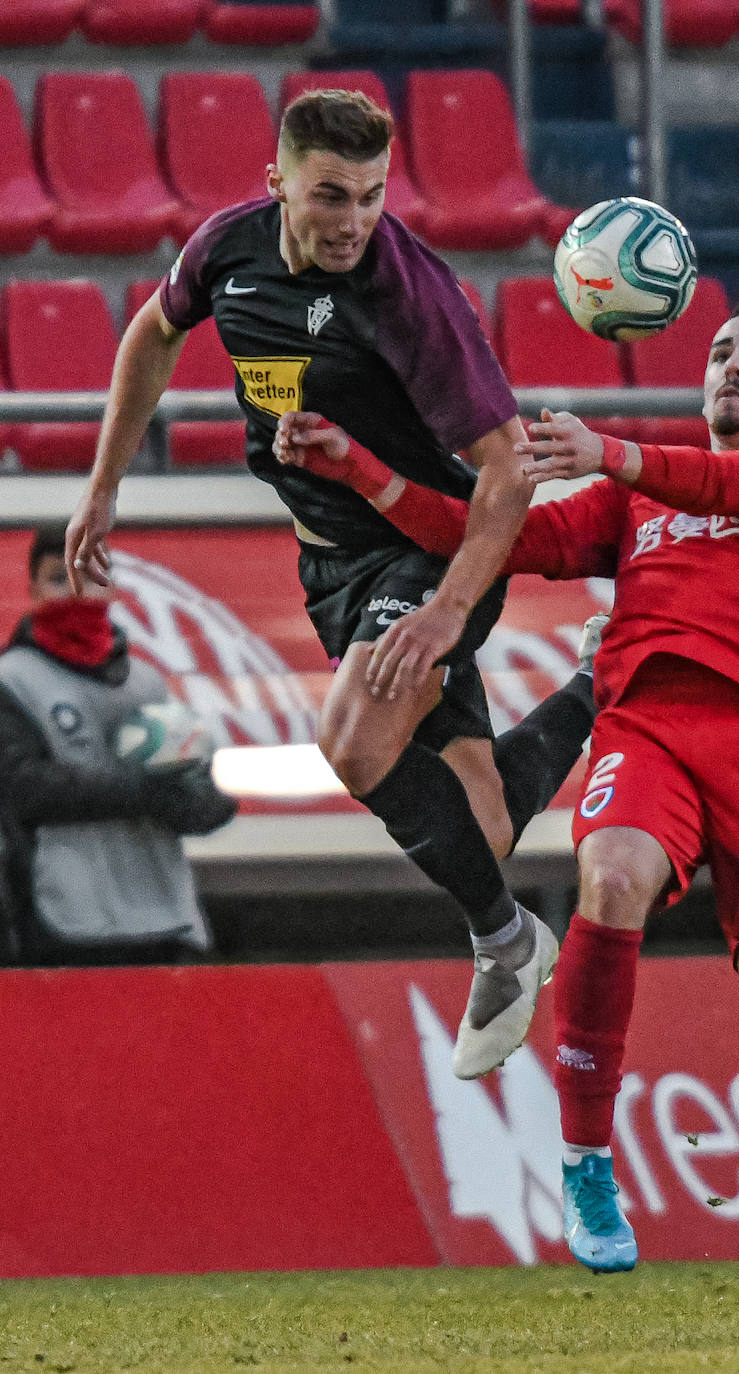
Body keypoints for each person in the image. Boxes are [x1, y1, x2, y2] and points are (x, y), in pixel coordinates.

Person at [272, 294, 739, 1342]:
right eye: (719, 351)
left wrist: (612, 450)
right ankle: (588, 1161)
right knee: (614, 873)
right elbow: (482, 537)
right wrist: (357, 470)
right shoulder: (638, 504)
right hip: (649, 724)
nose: (731, 366)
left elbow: (729, 481)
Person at [63, 88, 597, 1077]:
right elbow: (151, 332)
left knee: (351, 740)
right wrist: (103, 488)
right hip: (328, 559)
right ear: (277, 185)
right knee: (471, 819)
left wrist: (447, 610)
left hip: (429, 545)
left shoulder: (410, 298)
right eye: (330, 197)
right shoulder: (229, 248)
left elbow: (508, 465)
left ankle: (506, 945)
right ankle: (594, 688)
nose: (353, 220)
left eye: (370, 196)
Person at [0, 527, 237, 964]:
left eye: (91, 577)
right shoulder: (10, 680)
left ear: (112, 589)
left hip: (168, 920)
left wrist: (202, 799)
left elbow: (193, 794)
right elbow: (23, 788)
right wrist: (145, 790)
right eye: (59, 579)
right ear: (31, 589)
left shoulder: (147, 683)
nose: (76, 594)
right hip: (68, 927)